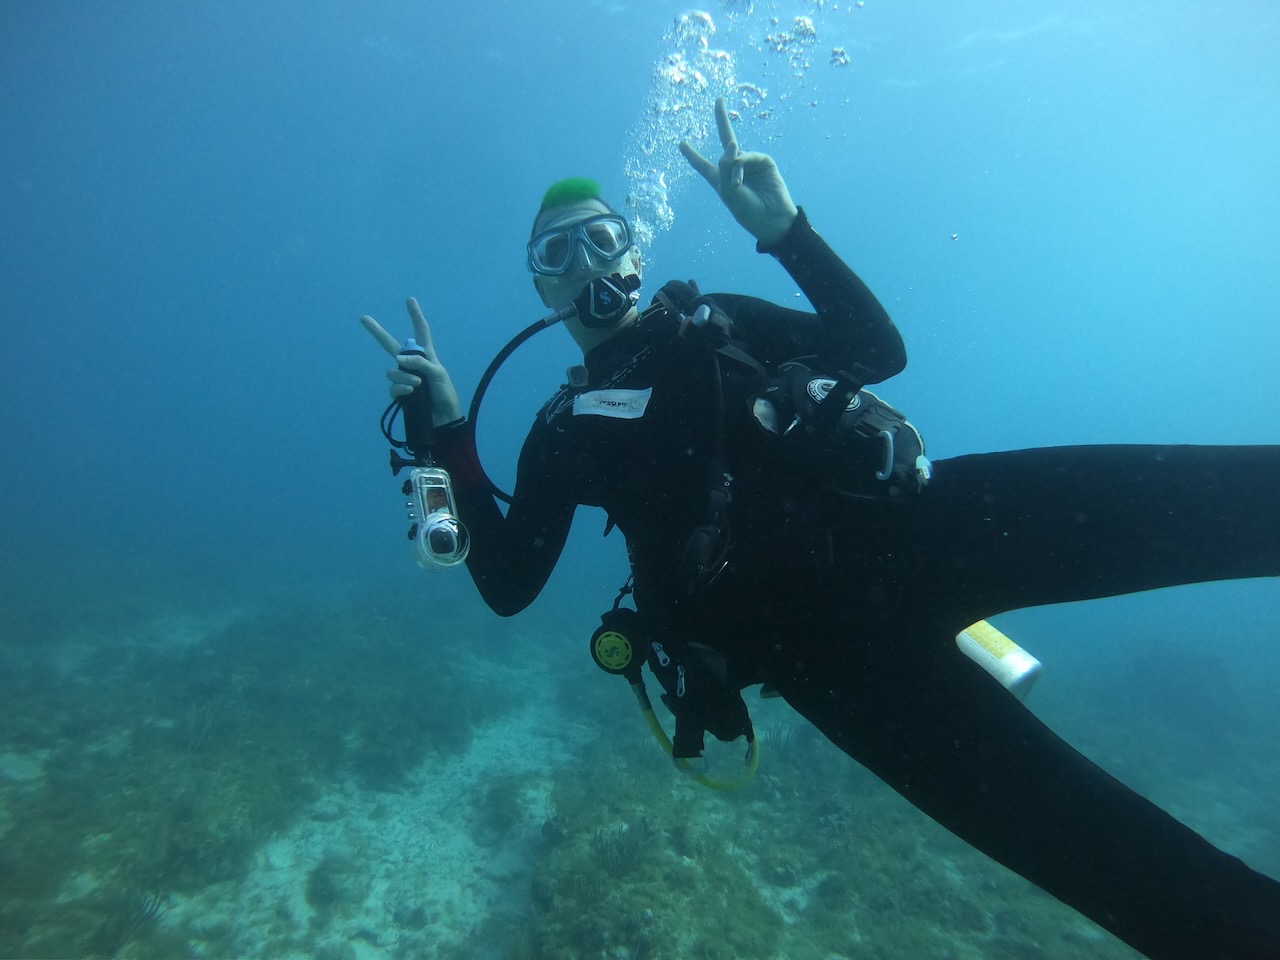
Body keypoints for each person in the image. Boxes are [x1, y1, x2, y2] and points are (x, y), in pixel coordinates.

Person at [362, 98, 1280, 959]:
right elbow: (508, 583)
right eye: (558, 254)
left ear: (633, 250)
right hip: (827, 661)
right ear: (541, 286)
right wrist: (446, 431)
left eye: (602, 239)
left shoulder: (721, 320)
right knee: (1130, 870)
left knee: (1225, 498)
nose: (587, 266)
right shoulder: (565, 431)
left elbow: (878, 351)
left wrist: (786, 232)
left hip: (925, 525)